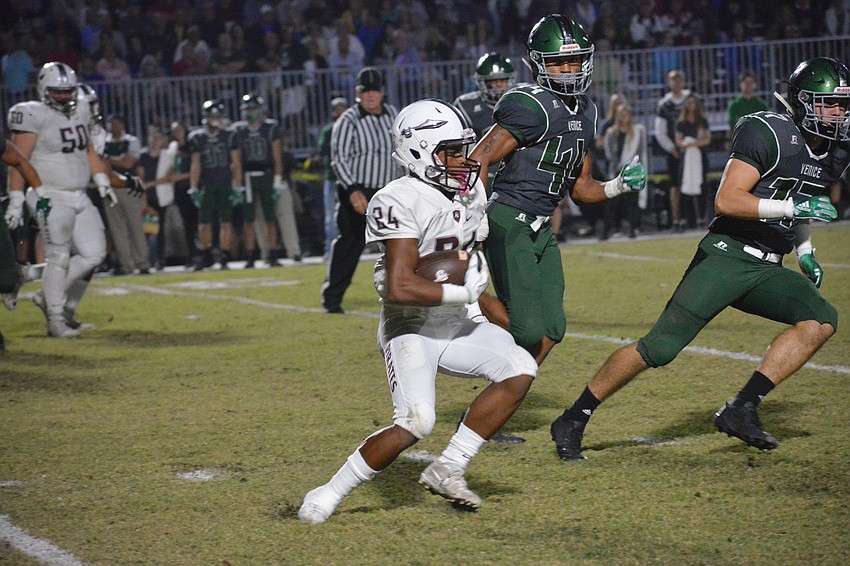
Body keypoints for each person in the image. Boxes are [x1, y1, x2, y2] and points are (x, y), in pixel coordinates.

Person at [550, 57, 846, 460]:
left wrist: (806, 250)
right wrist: (793, 209)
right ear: (802, 102)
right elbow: (728, 200)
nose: (838, 114)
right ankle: (574, 417)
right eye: (829, 104)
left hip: (768, 264)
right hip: (727, 256)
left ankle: (742, 408)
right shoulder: (770, 132)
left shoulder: (836, 150)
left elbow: (799, 199)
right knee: (659, 349)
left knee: (821, 321)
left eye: (843, 105)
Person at [298, 99, 538, 523]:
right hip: (410, 326)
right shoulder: (398, 198)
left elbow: (468, 264)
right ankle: (329, 492)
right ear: (418, 152)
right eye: (450, 151)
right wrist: (462, 295)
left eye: (463, 149)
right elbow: (399, 284)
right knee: (417, 421)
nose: (463, 160)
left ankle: (449, 467)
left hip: (458, 322)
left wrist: (490, 311)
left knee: (520, 367)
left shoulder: (471, 190)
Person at [468, 14, 646, 368]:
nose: (568, 69)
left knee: (553, 328)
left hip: (542, 228)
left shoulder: (588, 110)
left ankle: (494, 406)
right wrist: (473, 216)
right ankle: (468, 299)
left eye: (574, 60)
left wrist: (618, 185)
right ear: (538, 65)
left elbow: (581, 188)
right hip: (508, 220)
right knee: (528, 330)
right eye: (558, 62)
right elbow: (478, 158)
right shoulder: (530, 105)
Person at [5, 62, 131, 338]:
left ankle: (32, 283)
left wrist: (100, 180)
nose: (64, 97)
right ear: (43, 90)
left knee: (94, 254)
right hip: (48, 195)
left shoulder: (82, 108)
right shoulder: (32, 114)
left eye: (68, 91)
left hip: (78, 194)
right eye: (57, 92)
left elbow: (87, 151)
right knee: (59, 257)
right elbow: (17, 161)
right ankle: (56, 319)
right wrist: (16, 198)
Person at [321, 67, 400, 313]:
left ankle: (402, 293)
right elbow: (339, 158)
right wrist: (353, 190)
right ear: (357, 93)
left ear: (382, 92)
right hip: (356, 190)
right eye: (365, 91)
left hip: (388, 190)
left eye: (374, 90)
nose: (370, 95)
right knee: (350, 244)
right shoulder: (348, 119)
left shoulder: (393, 114)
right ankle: (332, 298)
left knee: (399, 243)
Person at [229, 93, 283, 267]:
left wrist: (277, 180)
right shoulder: (238, 130)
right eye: (248, 109)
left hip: (266, 174)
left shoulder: (270, 127)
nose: (251, 113)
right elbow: (236, 160)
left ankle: (272, 253)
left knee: (270, 218)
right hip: (247, 177)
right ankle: (251, 255)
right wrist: (237, 185)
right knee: (248, 219)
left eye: (253, 109)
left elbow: (277, 156)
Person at [188, 99, 242, 271]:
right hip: (207, 182)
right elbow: (195, 164)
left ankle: (224, 254)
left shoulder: (229, 135)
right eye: (211, 116)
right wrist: (194, 187)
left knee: (226, 221)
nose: (214, 119)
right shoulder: (197, 137)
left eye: (216, 116)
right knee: (204, 223)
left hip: (225, 181)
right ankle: (207, 253)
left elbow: (235, 163)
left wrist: (238, 186)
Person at [103, 114, 150, 275]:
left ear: (122, 125)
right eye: (111, 124)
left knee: (135, 226)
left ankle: (142, 262)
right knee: (117, 230)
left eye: (116, 123)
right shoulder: (104, 142)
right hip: (109, 188)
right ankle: (126, 264)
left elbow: (128, 163)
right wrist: (116, 160)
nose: (114, 127)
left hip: (128, 187)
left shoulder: (131, 141)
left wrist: (107, 161)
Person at [603, 104, 648, 239]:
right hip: (617, 171)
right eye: (622, 115)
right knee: (613, 202)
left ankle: (634, 228)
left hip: (632, 171)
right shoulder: (612, 132)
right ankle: (607, 230)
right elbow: (610, 153)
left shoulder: (636, 132)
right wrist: (618, 166)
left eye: (626, 115)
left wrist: (631, 167)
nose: (624, 118)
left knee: (632, 202)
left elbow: (639, 151)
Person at [655, 69, 691, 231]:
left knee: (694, 184)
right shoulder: (664, 105)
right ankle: (676, 218)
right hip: (675, 151)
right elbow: (660, 132)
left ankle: (694, 218)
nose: (676, 84)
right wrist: (672, 148)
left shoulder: (691, 100)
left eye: (679, 80)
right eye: (673, 80)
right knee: (675, 186)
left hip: (692, 149)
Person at [453, 52, 517, 141]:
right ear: (482, 82)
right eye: (493, 81)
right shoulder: (466, 105)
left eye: (503, 80)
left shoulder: (522, 98)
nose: (499, 84)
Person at [315, 96, 347, 258]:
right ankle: (330, 248)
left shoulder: (351, 128)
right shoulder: (329, 130)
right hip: (332, 176)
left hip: (349, 177)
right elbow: (322, 150)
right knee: (330, 215)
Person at [674, 93, 711, 228]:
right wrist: (689, 144)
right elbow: (678, 141)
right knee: (684, 186)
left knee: (701, 186)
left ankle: (701, 217)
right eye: (688, 103)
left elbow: (707, 139)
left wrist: (692, 144)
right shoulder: (681, 122)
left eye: (693, 103)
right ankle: (684, 218)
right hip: (686, 157)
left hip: (700, 157)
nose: (691, 106)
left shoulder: (702, 121)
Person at [726, 70, 769, 135]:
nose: (749, 85)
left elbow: (766, 123)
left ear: (755, 84)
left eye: (751, 82)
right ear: (740, 84)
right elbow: (733, 124)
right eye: (746, 82)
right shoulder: (734, 105)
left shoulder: (761, 105)